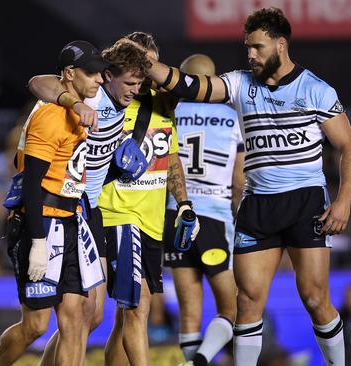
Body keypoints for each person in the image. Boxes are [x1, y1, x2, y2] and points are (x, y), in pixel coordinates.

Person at [134, 7, 351, 365]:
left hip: (305, 203)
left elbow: (349, 147)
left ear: (281, 45)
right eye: (247, 48)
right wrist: (148, 65)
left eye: (257, 47)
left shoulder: (316, 90)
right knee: (246, 301)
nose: (250, 55)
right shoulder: (240, 83)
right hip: (258, 205)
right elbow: (191, 85)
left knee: (315, 299)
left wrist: (344, 201)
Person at [27, 40, 152, 365]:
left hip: (91, 209)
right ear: (106, 75)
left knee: (93, 316)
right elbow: (37, 83)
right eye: (128, 84)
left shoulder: (123, 98)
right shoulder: (91, 95)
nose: (134, 91)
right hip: (68, 206)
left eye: (139, 84)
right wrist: (75, 103)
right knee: (74, 314)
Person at [0, 40, 106, 366]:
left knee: (77, 316)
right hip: (42, 224)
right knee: (35, 326)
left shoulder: (74, 107)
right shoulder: (51, 116)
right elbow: (32, 186)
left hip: (69, 219)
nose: (99, 79)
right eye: (92, 73)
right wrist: (38, 242)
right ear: (70, 74)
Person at [97, 31, 199, 366]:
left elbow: (171, 156)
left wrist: (183, 203)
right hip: (119, 217)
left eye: (151, 65)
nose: (146, 73)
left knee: (124, 316)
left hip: (152, 222)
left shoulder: (163, 103)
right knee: (138, 307)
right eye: (141, 65)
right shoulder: (109, 100)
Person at [162, 54, 242, 366]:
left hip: (176, 215)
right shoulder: (232, 116)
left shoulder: (170, 112)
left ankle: (190, 360)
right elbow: (239, 181)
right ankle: (201, 361)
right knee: (232, 310)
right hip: (214, 218)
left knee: (189, 316)